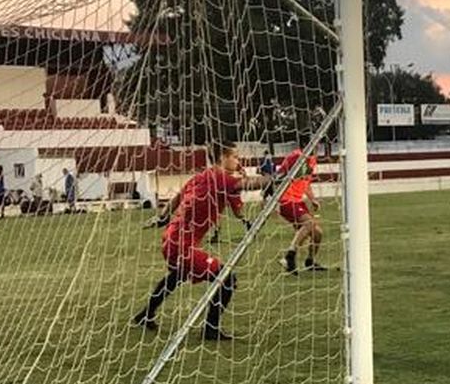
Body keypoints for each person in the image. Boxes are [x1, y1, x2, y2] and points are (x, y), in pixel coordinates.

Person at [133, 145, 249, 340]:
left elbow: (176, 199)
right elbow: (247, 193)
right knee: (227, 279)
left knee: (177, 275)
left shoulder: (200, 177)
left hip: (171, 238)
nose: (238, 161)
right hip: (183, 245)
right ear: (222, 157)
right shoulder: (223, 178)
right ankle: (211, 329)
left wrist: (162, 217)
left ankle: (145, 314)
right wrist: (276, 178)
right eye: (235, 157)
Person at [277, 147, 324, 272]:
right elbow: (280, 175)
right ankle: (289, 256)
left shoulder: (312, 159)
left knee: (318, 233)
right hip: (286, 200)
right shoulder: (296, 157)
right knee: (309, 223)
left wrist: (313, 199)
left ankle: (310, 262)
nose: (318, 146)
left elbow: (306, 182)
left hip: (297, 201)